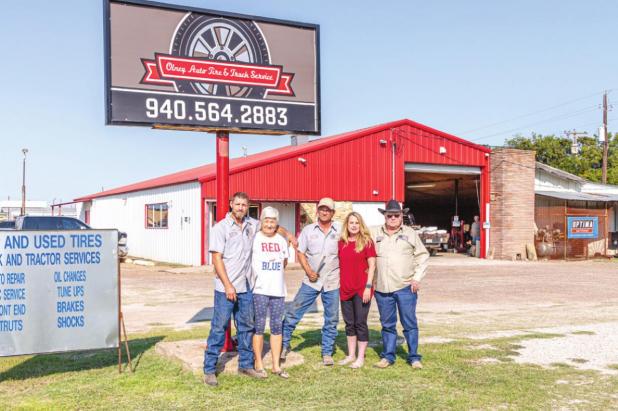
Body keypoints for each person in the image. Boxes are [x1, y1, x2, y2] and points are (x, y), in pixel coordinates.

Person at [203, 192, 296, 387]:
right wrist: (228, 285)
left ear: (248, 207)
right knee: (219, 327)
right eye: (237, 204)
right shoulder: (220, 228)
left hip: (246, 286)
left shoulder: (252, 225)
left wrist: (289, 235)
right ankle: (210, 369)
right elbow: (216, 258)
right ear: (231, 205)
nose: (240, 208)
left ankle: (245, 365)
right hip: (226, 287)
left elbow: (273, 226)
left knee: (246, 327)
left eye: (244, 205)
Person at [281, 197, 340, 366]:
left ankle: (327, 352)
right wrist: (308, 271)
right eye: (321, 209)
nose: (324, 212)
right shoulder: (308, 230)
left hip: (332, 281)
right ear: (317, 211)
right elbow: (300, 252)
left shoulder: (340, 229)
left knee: (332, 318)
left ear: (333, 213)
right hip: (311, 280)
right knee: (293, 312)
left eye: (328, 209)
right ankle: (284, 345)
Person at [370, 199, 429, 369]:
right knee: (387, 324)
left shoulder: (410, 233)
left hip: (405, 287)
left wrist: (417, 278)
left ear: (401, 216)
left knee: (409, 323)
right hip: (382, 288)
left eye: (397, 215)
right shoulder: (374, 233)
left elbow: (423, 256)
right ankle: (388, 356)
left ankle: (414, 357)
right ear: (385, 216)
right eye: (390, 215)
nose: (393, 218)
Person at [250, 206, 290, 379]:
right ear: (262, 221)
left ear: (276, 224)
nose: (269, 224)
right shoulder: (255, 238)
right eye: (266, 220)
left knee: (276, 327)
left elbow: (285, 262)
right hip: (259, 289)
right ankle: (258, 362)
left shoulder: (281, 240)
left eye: (272, 221)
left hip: (278, 290)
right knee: (258, 326)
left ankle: (275, 365)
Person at [337, 212, 376, 369]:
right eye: (351, 223)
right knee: (349, 323)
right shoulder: (342, 243)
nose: (354, 225)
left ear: (361, 225)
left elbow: (372, 266)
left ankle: (360, 357)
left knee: (360, 323)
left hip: (362, 289)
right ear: (347, 225)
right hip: (345, 289)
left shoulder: (367, 242)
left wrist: (368, 287)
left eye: (357, 223)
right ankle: (351, 355)